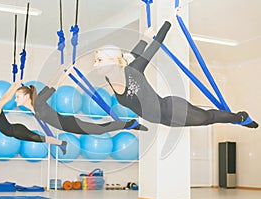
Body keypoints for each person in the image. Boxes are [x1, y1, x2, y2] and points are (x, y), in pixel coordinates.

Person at [92, 18, 258, 128]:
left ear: (114, 61)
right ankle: (237, 118)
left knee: (207, 118)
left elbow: (155, 46)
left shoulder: (133, 70)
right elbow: (130, 56)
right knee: (207, 118)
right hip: (164, 120)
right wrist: (143, 39)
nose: (95, 64)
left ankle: (240, 118)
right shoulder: (110, 76)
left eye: (100, 60)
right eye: (96, 60)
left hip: (172, 110)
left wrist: (169, 21)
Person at [14, 84, 148, 135]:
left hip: (70, 123)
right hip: (68, 126)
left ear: (26, 96)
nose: (15, 100)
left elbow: (53, 85)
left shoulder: (38, 103)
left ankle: (130, 124)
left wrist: (63, 68)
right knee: (101, 129)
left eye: (18, 96)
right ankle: (130, 124)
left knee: (101, 129)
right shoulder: (34, 107)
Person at [0, 81, 68, 155]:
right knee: (39, 139)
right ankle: (61, 144)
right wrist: (14, 86)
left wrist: (15, 86)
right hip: (15, 133)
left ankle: (61, 143)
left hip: (17, 131)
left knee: (39, 139)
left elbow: (6, 98)